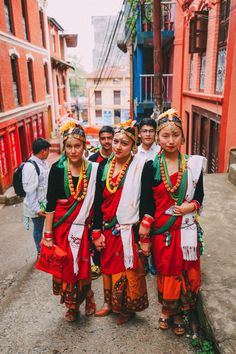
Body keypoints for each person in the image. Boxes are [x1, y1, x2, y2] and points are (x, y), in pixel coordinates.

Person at [139, 108, 206, 336]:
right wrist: (144, 236)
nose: (170, 140)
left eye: (175, 135)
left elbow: (200, 197)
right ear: (158, 137)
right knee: (167, 271)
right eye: (165, 135)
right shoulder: (151, 167)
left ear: (183, 138)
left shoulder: (193, 166)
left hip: (186, 228)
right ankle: (168, 310)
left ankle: (180, 313)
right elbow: (146, 204)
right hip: (162, 231)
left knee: (185, 271)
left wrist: (191, 206)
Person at [92, 121, 149, 325]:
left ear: (133, 146)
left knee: (126, 268)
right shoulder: (104, 167)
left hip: (127, 229)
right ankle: (108, 303)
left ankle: (125, 307)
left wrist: (144, 231)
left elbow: (146, 201)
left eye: (124, 143)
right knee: (106, 266)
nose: (117, 146)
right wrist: (96, 231)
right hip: (107, 228)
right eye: (115, 141)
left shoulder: (140, 167)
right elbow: (97, 202)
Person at [43, 121, 98, 322]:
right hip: (61, 228)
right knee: (66, 267)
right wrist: (48, 235)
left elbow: (96, 203)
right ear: (64, 147)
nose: (73, 151)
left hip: (82, 227)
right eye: (69, 146)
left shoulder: (93, 169)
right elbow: (50, 203)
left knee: (82, 266)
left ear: (84, 146)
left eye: (77, 146)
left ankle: (88, 297)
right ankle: (72, 306)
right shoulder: (57, 169)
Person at [89, 125, 114, 280]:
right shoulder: (92, 160)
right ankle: (97, 265)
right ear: (99, 140)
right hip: (96, 205)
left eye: (109, 138)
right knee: (97, 235)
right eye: (103, 138)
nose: (106, 141)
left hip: (114, 205)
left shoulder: (119, 157)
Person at [137, 117, 160, 275]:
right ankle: (143, 260)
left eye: (151, 131)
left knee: (156, 230)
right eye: (144, 131)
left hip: (157, 197)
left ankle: (154, 261)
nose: (148, 134)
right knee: (140, 230)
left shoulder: (161, 151)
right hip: (138, 196)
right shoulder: (134, 152)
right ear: (139, 134)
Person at [22, 137, 51, 257]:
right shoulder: (30, 167)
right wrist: (37, 209)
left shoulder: (43, 163)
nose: (48, 152)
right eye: (47, 150)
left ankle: (47, 249)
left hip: (45, 203)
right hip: (36, 206)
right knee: (38, 229)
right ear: (43, 151)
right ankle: (40, 252)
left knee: (48, 228)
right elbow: (30, 192)